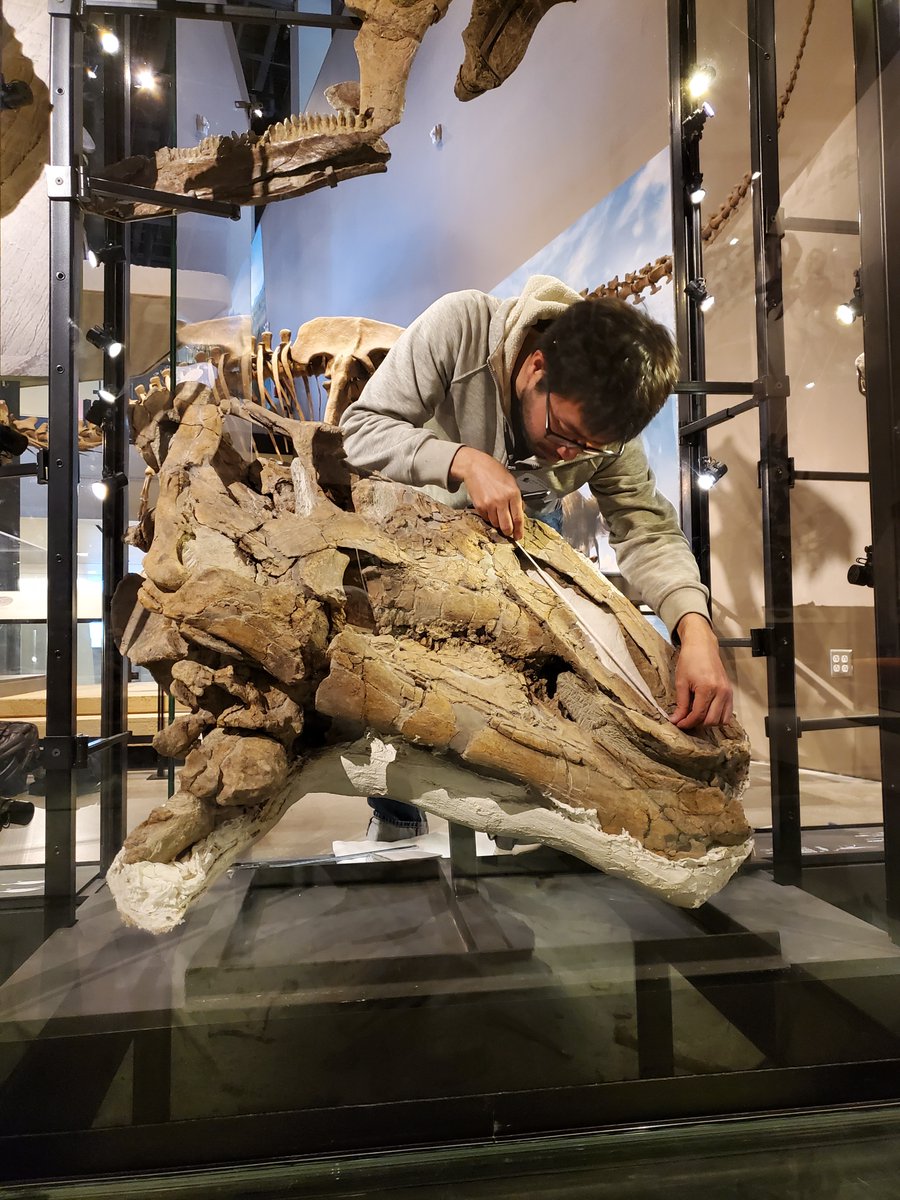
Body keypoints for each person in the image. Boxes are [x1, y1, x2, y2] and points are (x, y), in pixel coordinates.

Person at [340, 275, 733, 840]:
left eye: (590, 449)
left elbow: (646, 527)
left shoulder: (603, 432)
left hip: (524, 532)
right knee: (395, 686)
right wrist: (464, 461)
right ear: (534, 368)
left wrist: (695, 629)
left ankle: (523, 821)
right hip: (416, 530)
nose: (572, 455)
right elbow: (360, 430)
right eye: (564, 433)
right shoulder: (461, 324)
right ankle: (399, 812)